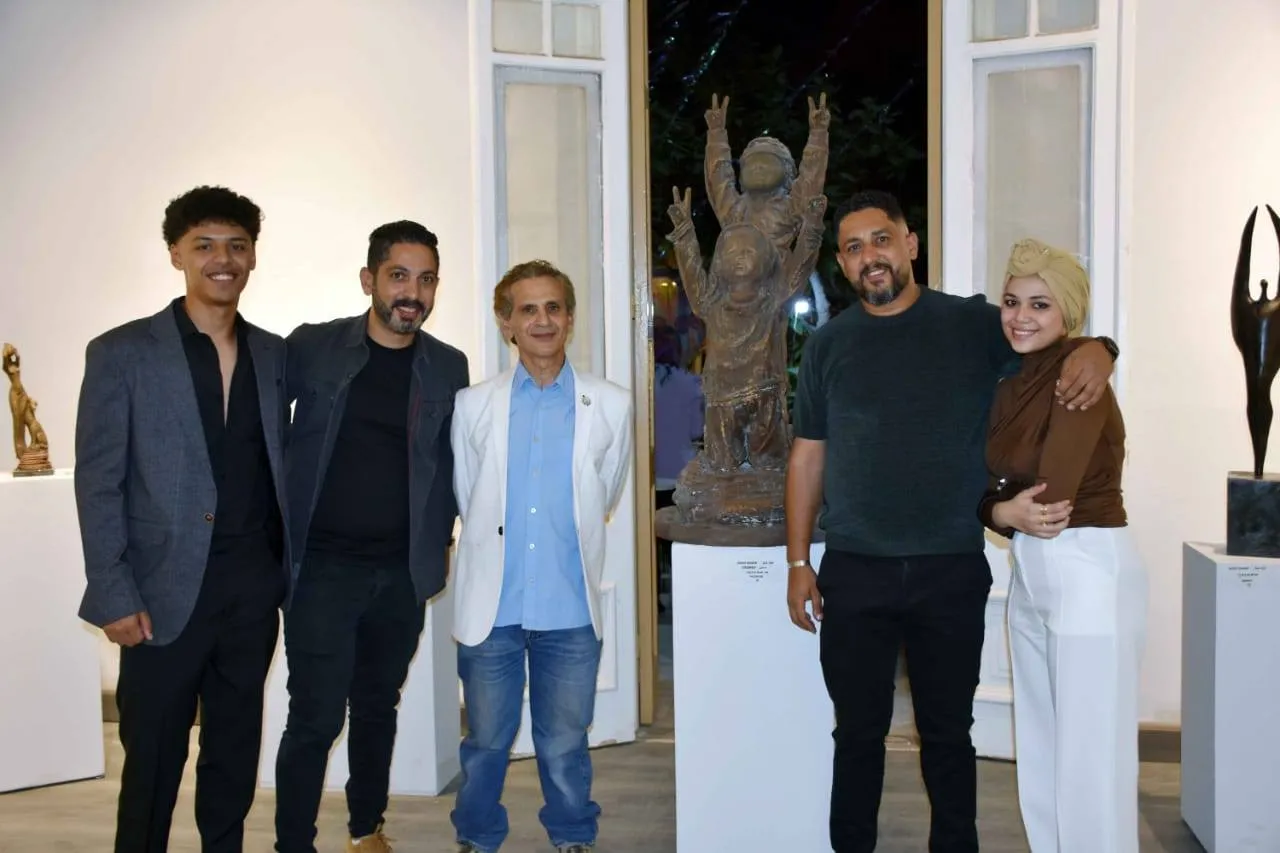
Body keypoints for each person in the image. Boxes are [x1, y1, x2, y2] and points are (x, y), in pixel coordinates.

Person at [783, 190, 1120, 853]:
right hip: (855, 569)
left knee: (947, 735)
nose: (869, 256)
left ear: (910, 244)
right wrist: (798, 562)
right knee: (856, 734)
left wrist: (1102, 347)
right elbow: (807, 456)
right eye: (853, 247)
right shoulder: (827, 347)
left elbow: (1048, 337)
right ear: (842, 265)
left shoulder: (971, 325)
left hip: (950, 569)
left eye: (881, 239)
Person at [74, 185, 289, 853]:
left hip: (251, 591)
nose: (222, 259)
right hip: (159, 595)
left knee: (234, 754)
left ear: (253, 256)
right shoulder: (122, 353)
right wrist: (113, 591)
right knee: (152, 760)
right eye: (205, 245)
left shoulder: (276, 356)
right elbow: (98, 482)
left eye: (237, 246)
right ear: (176, 254)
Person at [273, 221, 470, 853]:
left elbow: (455, 464)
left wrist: (442, 542)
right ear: (369, 280)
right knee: (315, 717)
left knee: (377, 706)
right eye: (399, 276)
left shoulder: (448, 366)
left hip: (401, 574)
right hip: (321, 573)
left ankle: (366, 831)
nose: (413, 293)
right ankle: (293, 844)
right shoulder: (312, 347)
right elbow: (264, 434)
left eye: (426, 279)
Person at [448, 260, 634, 853]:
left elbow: (604, 492)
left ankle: (573, 835)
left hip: (570, 609)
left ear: (570, 318)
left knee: (564, 742)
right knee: (486, 742)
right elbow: (469, 494)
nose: (543, 320)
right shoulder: (473, 405)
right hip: (493, 610)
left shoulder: (611, 404)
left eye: (553, 307)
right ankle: (477, 836)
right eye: (527, 309)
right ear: (507, 323)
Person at [979, 238, 1147, 853]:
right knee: (1043, 742)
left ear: (1067, 312)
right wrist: (997, 506)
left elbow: (1048, 499)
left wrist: (995, 502)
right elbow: (1010, 500)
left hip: (1087, 566)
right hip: (1035, 569)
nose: (1021, 317)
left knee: (1091, 755)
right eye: (1012, 302)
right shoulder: (1013, 375)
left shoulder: (1080, 369)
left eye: (1040, 304)